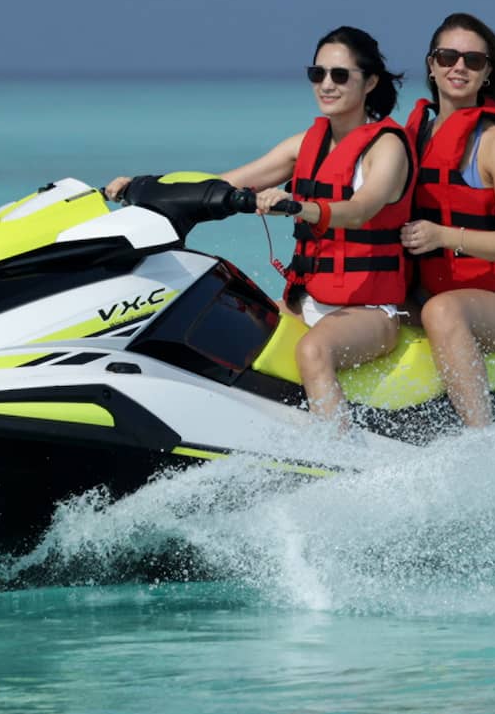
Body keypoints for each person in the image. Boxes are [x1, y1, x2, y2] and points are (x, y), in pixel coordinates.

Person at [106, 26, 413, 427]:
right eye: (317, 74)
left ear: (370, 81)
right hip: (307, 301)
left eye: (340, 75)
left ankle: (338, 461)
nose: (326, 85)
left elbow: (360, 209)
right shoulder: (308, 144)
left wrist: (300, 207)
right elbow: (227, 182)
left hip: (371, 311)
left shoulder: (387, 147)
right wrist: (143, 187)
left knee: (312, 353)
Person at [399, 12, 495, 427]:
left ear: (486, 73)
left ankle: (480, 438)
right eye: (448, 56)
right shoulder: (412, 136)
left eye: (473, 60)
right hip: (422, 293)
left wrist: (443, 235)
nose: (459, 67)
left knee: (442, 312)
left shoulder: (494, 143)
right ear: (431, 65)